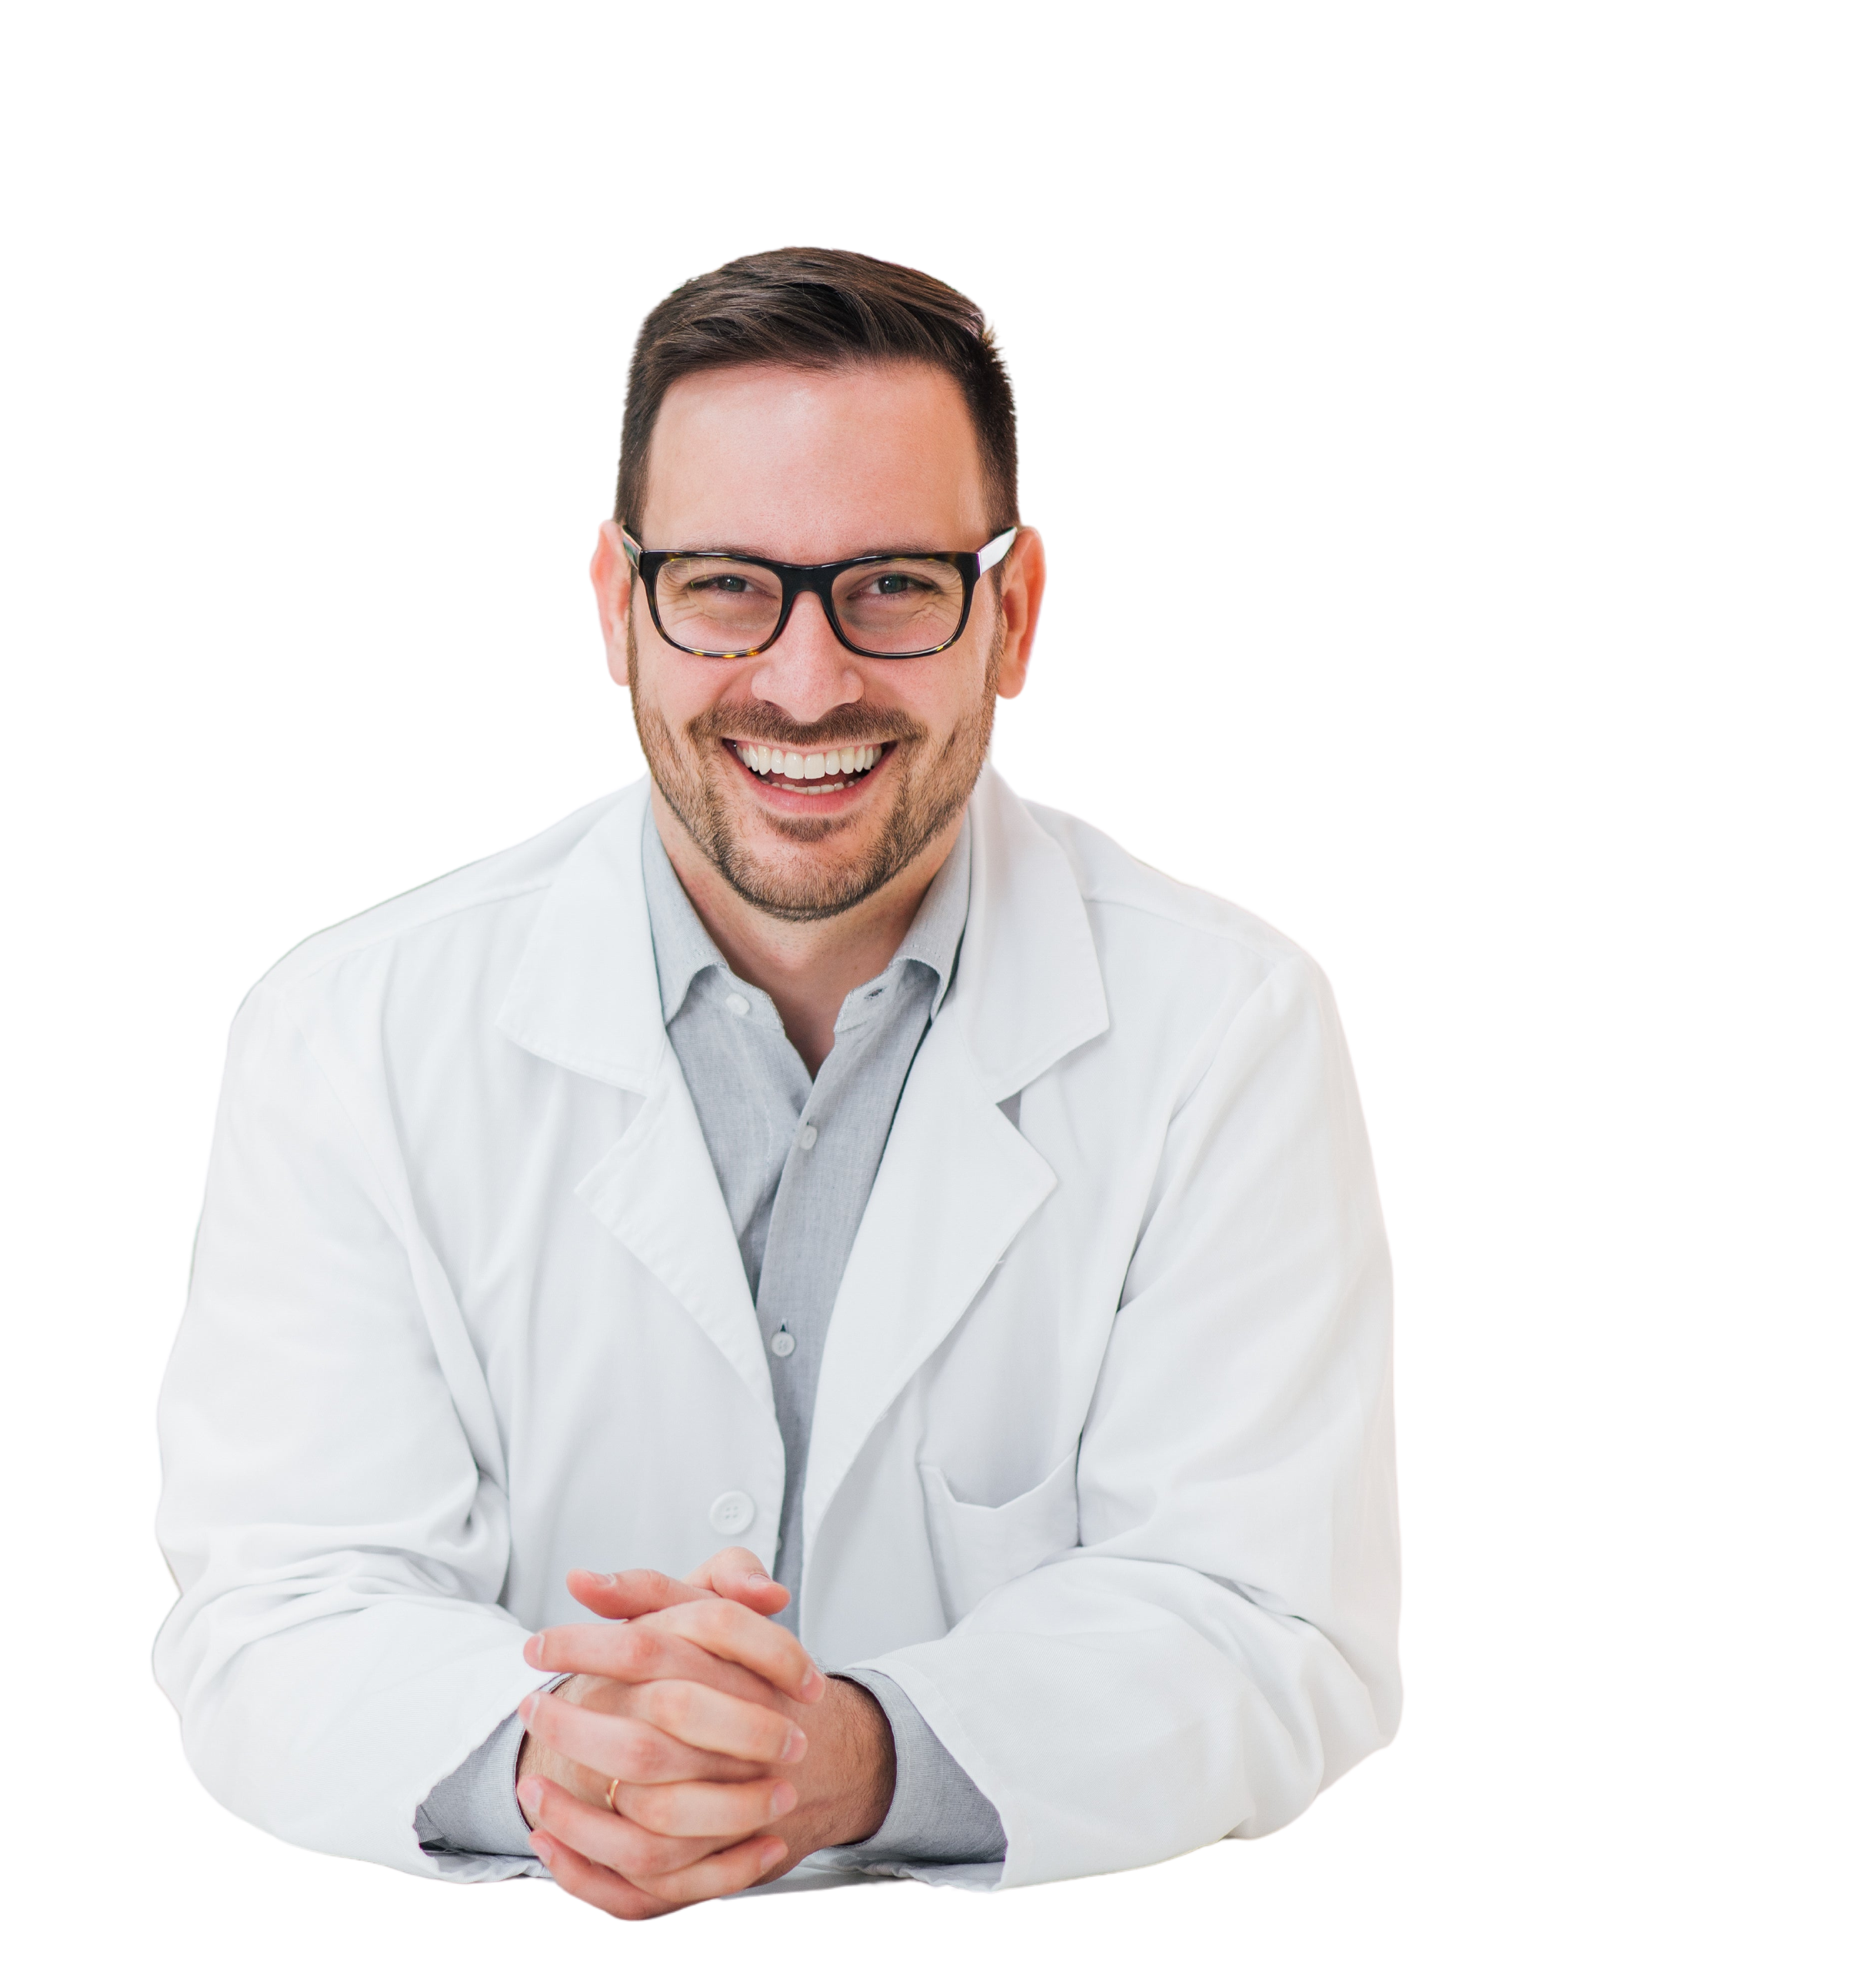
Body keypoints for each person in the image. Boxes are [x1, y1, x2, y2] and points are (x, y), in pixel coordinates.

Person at [149, 245, 1399, 1916]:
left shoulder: (1229, 1020)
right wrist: (558, 1763)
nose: (806, 681)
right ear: (616, 605)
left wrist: (853, 1754)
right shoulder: (346, 1027)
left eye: (891, 584)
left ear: (1012, 613)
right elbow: (274, 1608)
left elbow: (1270, 1620)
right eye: (727, 583)